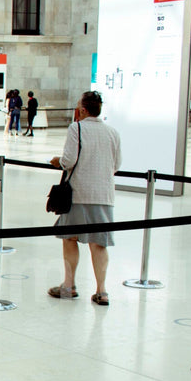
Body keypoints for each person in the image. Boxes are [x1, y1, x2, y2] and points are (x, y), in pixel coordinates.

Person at [48, 90, 122, 307]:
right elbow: (116, 165)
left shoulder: (76, 128)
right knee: (99, 243)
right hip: (103, 195)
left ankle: (69, 285)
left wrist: (57, 161)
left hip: (79, 194)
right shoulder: (112, 132)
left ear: (82, 109)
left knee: (70, 238)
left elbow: (69, 160)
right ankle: (102, 291)